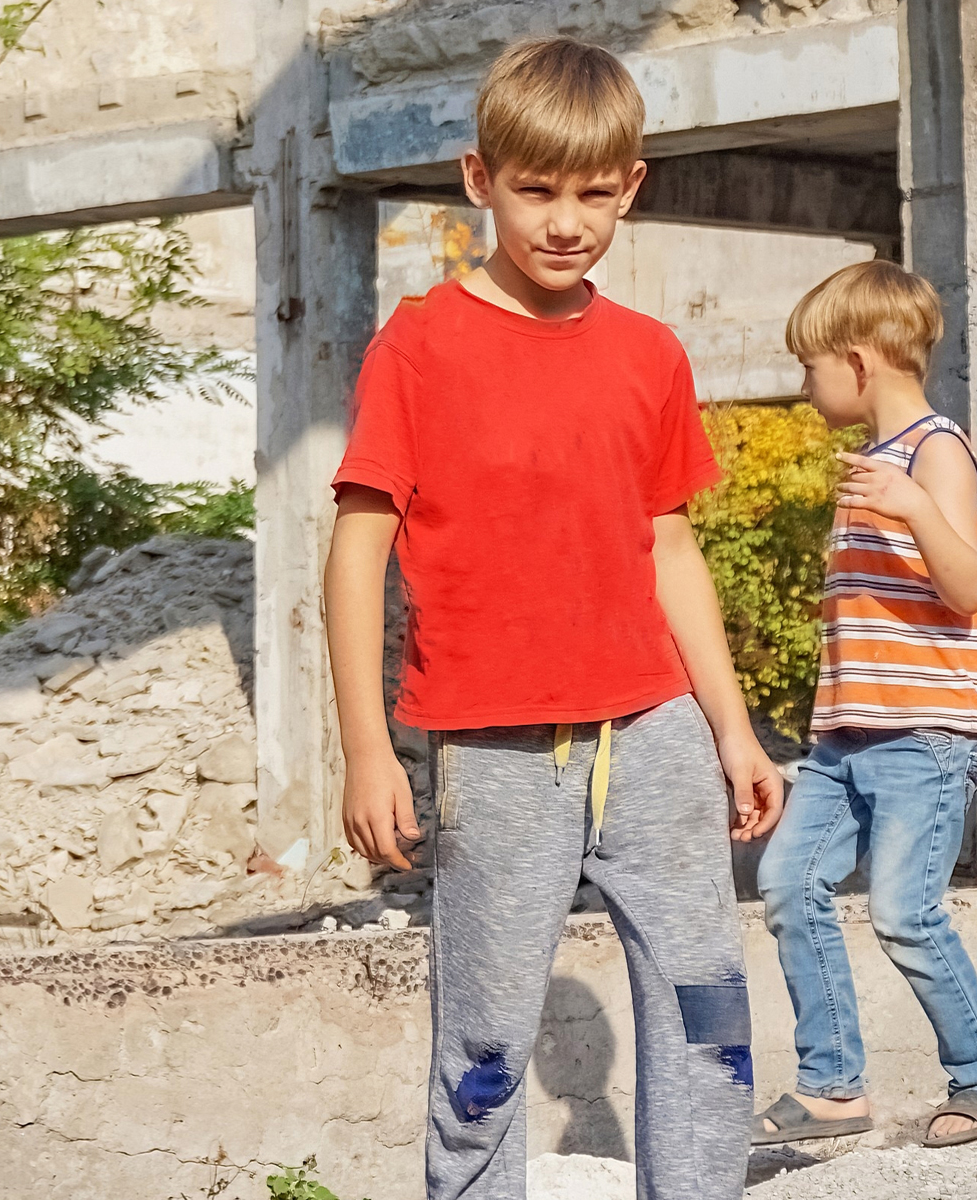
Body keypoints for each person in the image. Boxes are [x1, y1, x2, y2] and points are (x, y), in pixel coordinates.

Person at [322, 36, 784, 1200]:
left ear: (631, 186)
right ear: (481, 180)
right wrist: (369, 749)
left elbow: (669, 546)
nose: (564, 221)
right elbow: (355, 551)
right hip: (495, 752)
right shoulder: (420, 348)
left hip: (659, 738)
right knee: (482, 1046)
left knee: (710, 1016)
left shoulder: (649, 354)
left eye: (593, 193)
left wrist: (734, 730)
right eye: (536, 190)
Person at [749, 260, 977, 1150]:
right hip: (846, 737)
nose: (804, 385)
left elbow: (968, 586)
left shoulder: (933, 451)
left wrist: (910, 504)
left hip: (926, 735)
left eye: (811, 367)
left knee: (906, 909)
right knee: (789, 881)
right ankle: (832, 1088)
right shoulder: (870, 462)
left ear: (859, 363)